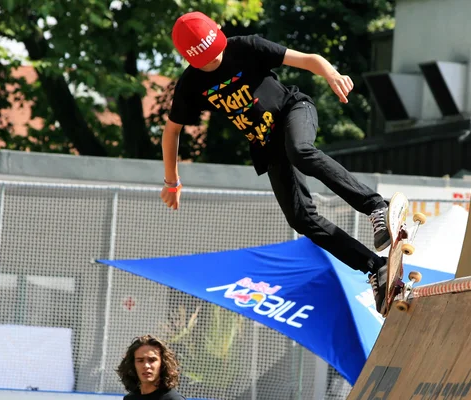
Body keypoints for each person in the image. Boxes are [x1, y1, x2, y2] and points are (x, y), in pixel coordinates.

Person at [160, 11, 391, 314]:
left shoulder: (245, 46)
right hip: (267, 146)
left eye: (216, 52)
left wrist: (331, 74)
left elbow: (309, 59)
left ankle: (375, 205)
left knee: (300, 150)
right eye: (205, 60)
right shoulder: (190, 85)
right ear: (189, 59)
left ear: (219, 31)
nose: (214, 61)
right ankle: (375, 267)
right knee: (300, 219)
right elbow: (171, 131)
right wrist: (171, 180)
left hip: (293, 111)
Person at [116, 335, 185, 400]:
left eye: (152, 360)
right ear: (133, 364)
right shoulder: (130, 398)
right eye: (140, 360)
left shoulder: (173, 398)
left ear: (163, 364)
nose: (146, 366)